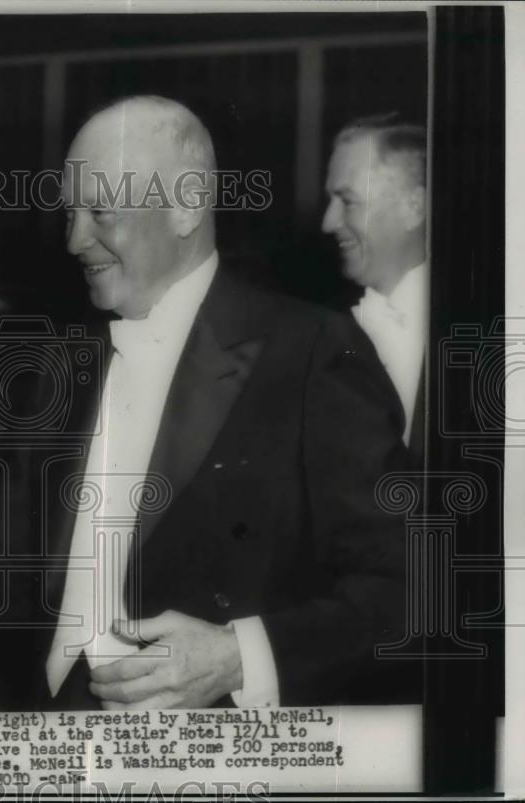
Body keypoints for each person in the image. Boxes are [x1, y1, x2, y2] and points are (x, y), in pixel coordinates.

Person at [40, 95, 411, 709]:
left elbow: (410, 585)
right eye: (69, 213)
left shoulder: (313, 350)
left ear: (186, 205)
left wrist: (240, 658)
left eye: (100, 211)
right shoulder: (59, 363)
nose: (76, 239)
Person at [322, 113, 428, 464]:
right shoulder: (321, 333)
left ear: (414, 207)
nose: (328, 223)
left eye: (347, 201)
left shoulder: (489, 326)